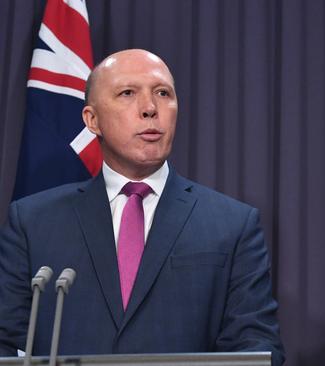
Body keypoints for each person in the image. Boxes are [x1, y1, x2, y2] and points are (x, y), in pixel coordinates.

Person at [0, 49, 284, 365]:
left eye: (163, 93)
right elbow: (5, 341)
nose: (150, 108)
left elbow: (257, 346)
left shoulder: (233, 225)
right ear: (92, 120)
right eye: (127, 93)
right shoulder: (32, 222)